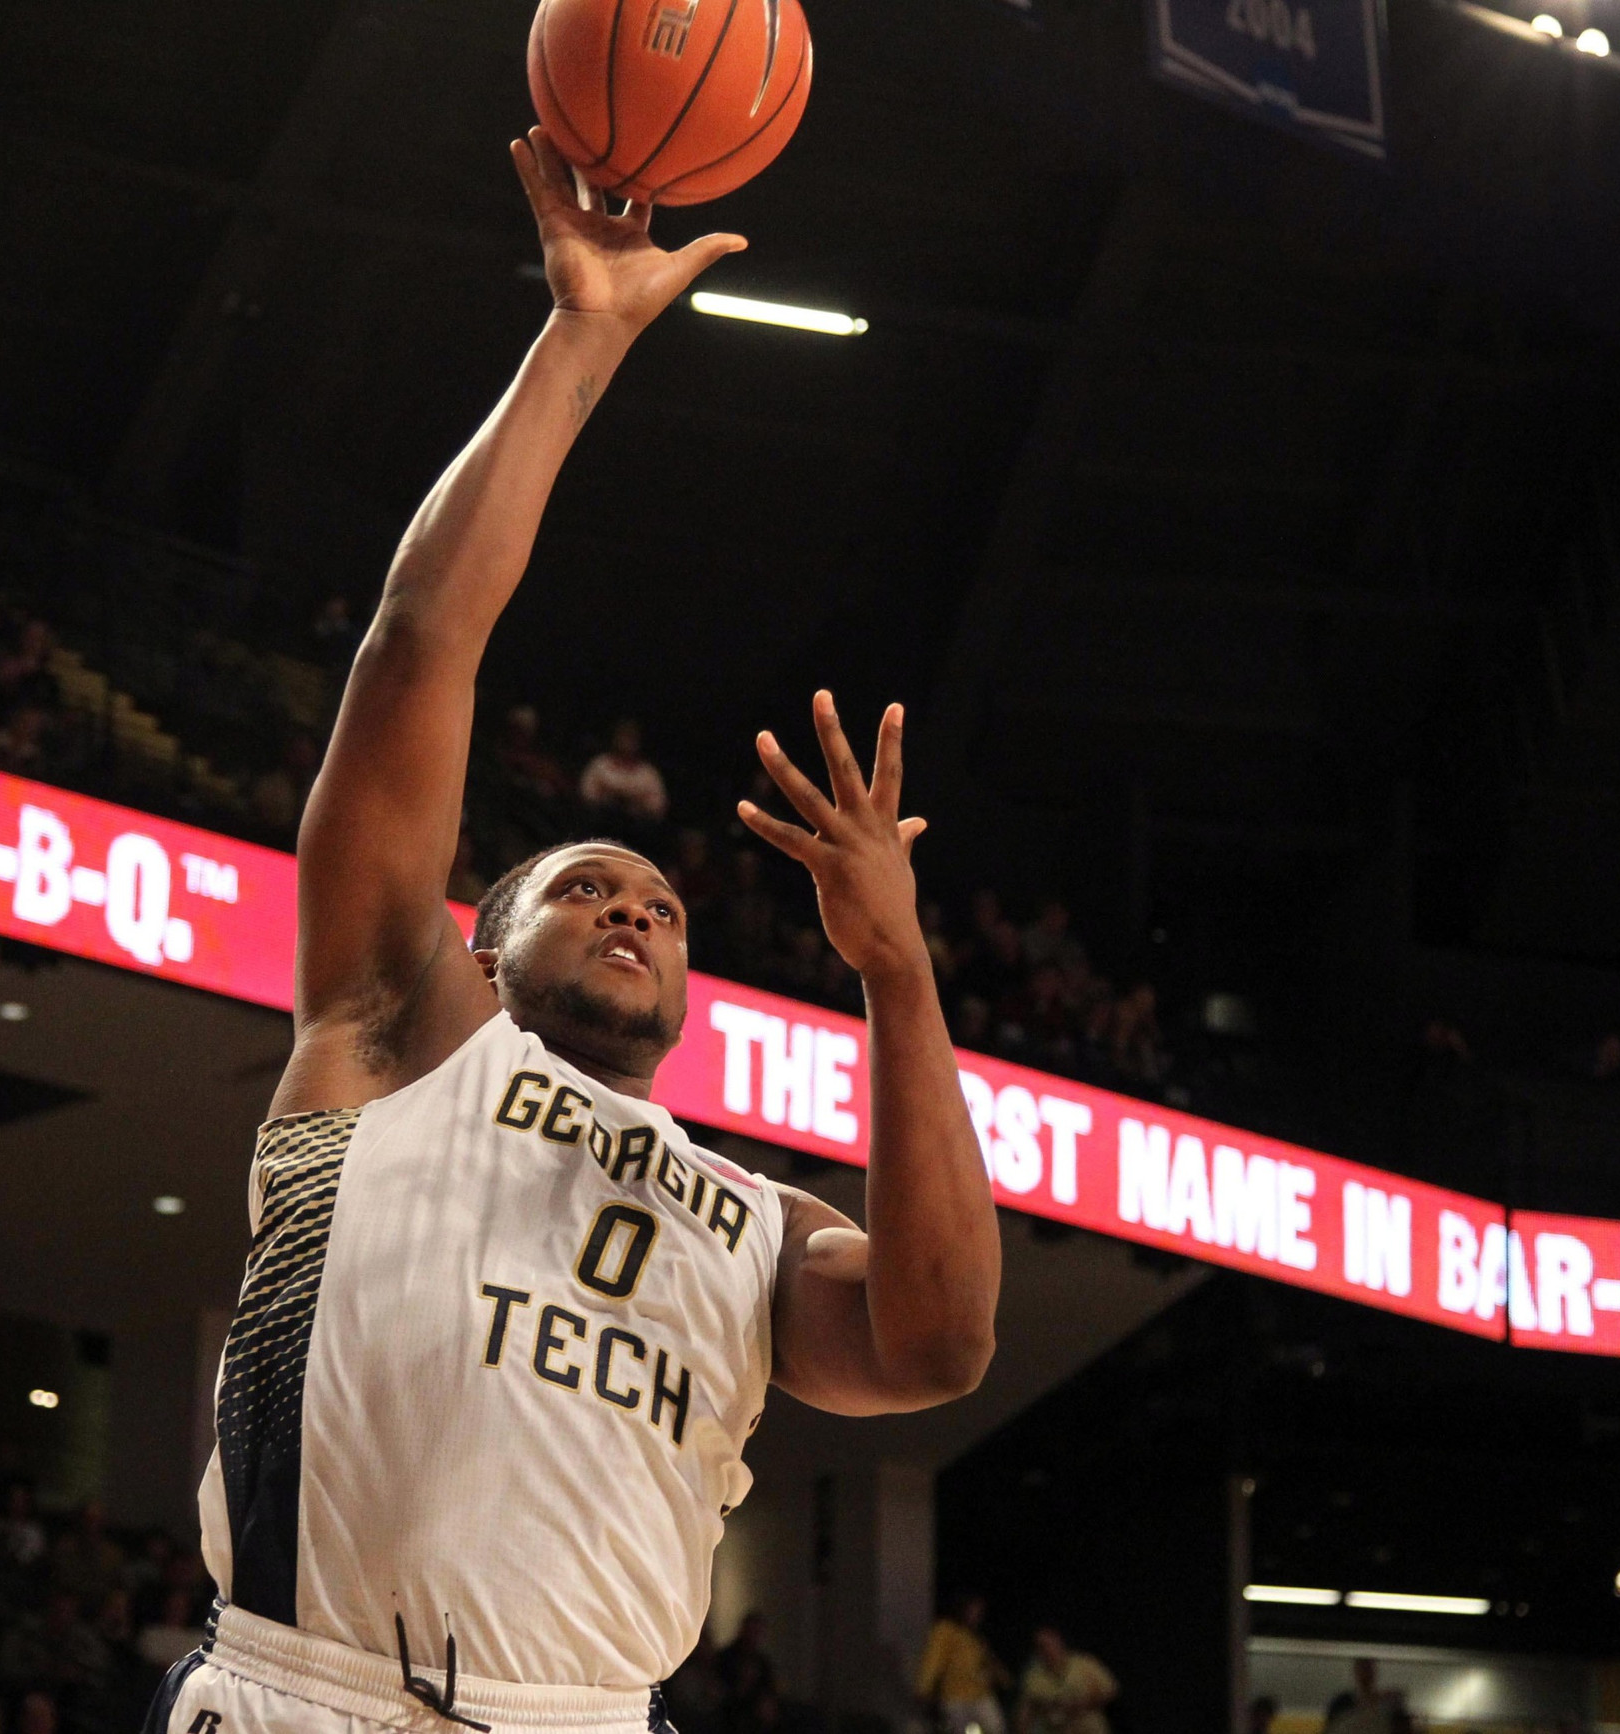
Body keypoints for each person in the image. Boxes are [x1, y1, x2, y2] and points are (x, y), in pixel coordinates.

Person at [149, 128, 999, 1734]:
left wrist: (898, 971)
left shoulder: (755, 1225)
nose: (635, 907)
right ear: (481, 945)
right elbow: (421, 642)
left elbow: (942, 1341)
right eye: (586, 886)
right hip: (301, 1694)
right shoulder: (393, 1028)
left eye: (664, 907)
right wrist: (582, 340)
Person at [916, 1595, 1009, 1734]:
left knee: (996, 1728)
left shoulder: (975, 1638)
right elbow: (933, 1660)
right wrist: (923, 1688)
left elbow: (988, 1663)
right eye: (973, 1609)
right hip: (955, 1697)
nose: (976, 1615)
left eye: (979, 1611)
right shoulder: (945, 1630)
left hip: (981, 1694)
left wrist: (1004, 1679)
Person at [1014, 1629, 1114, 1734]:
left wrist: (1082, 1704)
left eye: (1049, 1644)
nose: (1047, 1650)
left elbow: (1110, 1691)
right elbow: (1026, 1710)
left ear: (1059, 1643)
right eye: (1041, 1646)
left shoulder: (1084, 1663)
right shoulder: (1033, 1676)